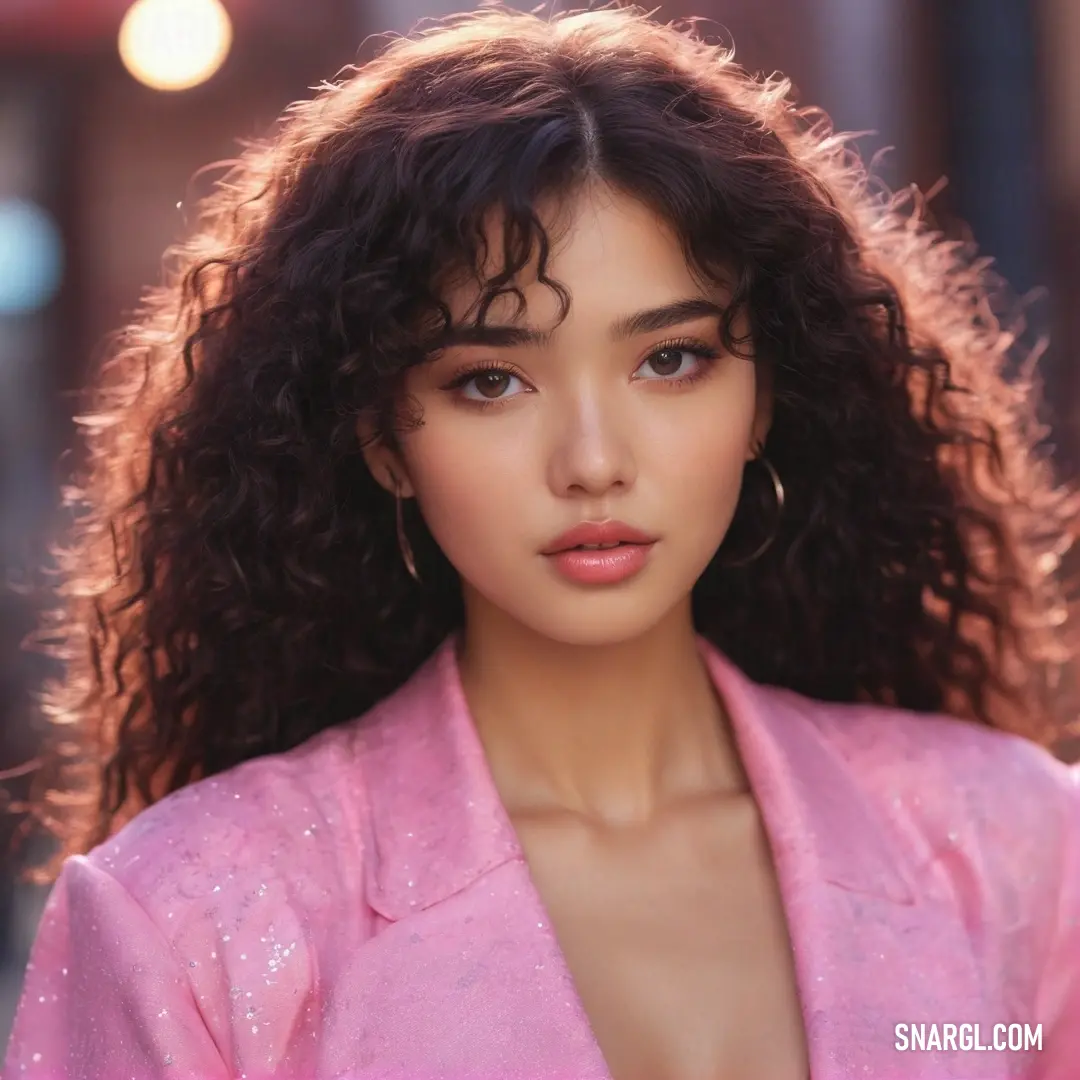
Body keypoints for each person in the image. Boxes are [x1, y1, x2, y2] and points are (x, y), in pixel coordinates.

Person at [4, 5, 1079, 1078]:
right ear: (383, 439)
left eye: (670, 359)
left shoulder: (1017, 849)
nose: (593, 459)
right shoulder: (190, 918)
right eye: (491, 380)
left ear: (765, 396)